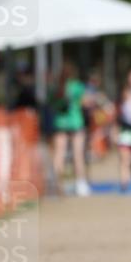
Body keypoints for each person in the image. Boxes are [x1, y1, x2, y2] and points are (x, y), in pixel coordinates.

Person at [49, 63, 90, 196]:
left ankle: (57, 184)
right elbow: (85, 102)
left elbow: (51, 104)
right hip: (76, 123)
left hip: (60, 124)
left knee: (58, 155)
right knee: (78, 155)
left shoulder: (56, 88)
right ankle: (80, 184)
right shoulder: (77, 86)